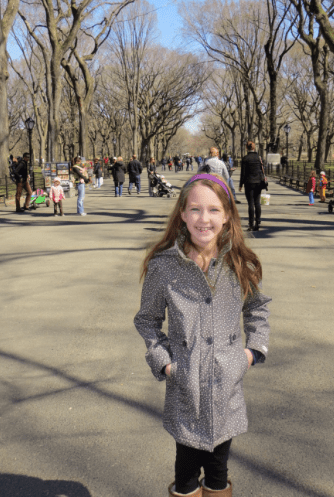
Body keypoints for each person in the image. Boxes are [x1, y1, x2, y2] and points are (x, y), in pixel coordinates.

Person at [134, 173, 271, 497]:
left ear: (226, 216)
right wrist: (166, 364)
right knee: (185, 472)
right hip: (185, 389)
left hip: (227, 388)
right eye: (195, 209)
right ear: (182, 213)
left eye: (213, 210)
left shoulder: (241, 262)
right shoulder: (164, 266)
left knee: (218, 470)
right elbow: (148, 321)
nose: (203, 218)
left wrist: (251, 353)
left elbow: (257, 310)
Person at [239, 141, 264, 231]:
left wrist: (240, 184)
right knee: (257, 203)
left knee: (250, 203)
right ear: (254, 147)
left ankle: (251, 224)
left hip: (249, 183)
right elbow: (262, 170)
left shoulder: (245, 158)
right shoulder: (259, 158)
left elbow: (243, 173)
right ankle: (258, 222)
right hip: (258, 183)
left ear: (247, 148)